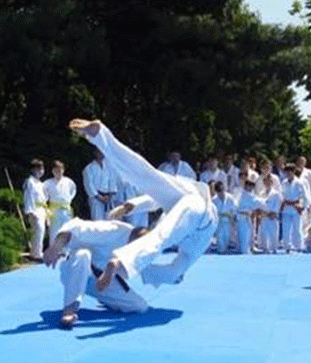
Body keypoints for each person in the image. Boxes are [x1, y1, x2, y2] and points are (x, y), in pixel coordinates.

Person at [70, 119, 217, 292]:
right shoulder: (190, 254)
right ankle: (120, 262)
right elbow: (173, 271)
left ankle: (100, 134)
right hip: (200, 214)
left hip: (188, 192)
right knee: (160, 238)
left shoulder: (188, 237)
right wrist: (166, 274)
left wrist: (130, 206)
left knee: (146, 175)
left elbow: (155, 199)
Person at [42, 218, 151, 328]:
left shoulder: (144, 250)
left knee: (139, 306)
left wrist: (110, 272)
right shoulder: (111, 231)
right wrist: (56, 247)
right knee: (83, 254)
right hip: (75, 271)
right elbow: (74, 226)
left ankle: (106, 300)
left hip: (101, 280)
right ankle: (69, 309)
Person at [43, 160, 77, 243]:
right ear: (52, 171)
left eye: (60, 170)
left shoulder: (69, 182)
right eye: (56, 170)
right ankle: (53, 253)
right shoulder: (47, 183)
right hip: (54, 211)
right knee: (54, 232)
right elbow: (44, 197)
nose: (58, 172)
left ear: (63, 170)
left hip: (66, 210)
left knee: (67, 231)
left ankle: (66, 252)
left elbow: (73, 192)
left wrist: (68, 201)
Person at [23, 159, 47, 261]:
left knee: (41, 232)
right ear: (33, 169)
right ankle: (36, 254)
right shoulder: (30, 182)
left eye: (42, 168)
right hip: (34, 209)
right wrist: (30, 211)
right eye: (38, 168)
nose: (41, 171)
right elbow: (28, 197)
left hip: (41, 209)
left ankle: (37, 252)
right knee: (38, 230)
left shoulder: (40, 183)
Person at [82, 148, 117, 220]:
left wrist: (110, 195)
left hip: (108, 198)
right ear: (95, 153)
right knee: (98, 221)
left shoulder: (109, 167)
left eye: (102, 151)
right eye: (99, 152)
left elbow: (112, 181)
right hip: (96, 198)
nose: (101, 153)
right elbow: (88, 185)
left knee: (110, 221)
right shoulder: (89, 168)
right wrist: (99, 197)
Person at [280, 165, 308, 252]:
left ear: (293, 172)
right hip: (287, 206)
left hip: (296, 207)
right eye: (286, 172)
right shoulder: (284, 182)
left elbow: (305, 197)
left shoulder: (300, 182)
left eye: (290, 171)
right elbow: (281, 195)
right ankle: (287, 246)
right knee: (286, 228)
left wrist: (303, 206)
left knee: (297, 228)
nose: (288, 173)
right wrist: (282, 204)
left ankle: (299, 246)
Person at [236, 176, 263, 254]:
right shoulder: (244, 194)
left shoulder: (248, 195)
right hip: (241, 218)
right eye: (248, 185)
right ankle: (243, 253)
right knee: (242, 239)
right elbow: (262, 204)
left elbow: (260, 204)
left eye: (251, 185)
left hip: (244, 218)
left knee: (243, 239)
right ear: (245, 185)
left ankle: (244, 253)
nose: (250, 187)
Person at [257, 174, 282, 253]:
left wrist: (267, 214)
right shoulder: (261, 193)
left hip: (272, 219)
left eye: (269, 181)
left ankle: (274, 251)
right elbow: (260, 206)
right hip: (263, 218)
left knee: (273, 237)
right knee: (264, 237)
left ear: (272, 182)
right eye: (265, 181)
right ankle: (265, 250)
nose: (267, 183)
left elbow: (276, 209)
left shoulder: (276, 194)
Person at [212, 181, 237, 254]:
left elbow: (235, 209)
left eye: (222, 190)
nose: (221, 192)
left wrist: (234, 218)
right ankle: (221, 252)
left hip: (228, 221)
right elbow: (212, 212)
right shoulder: (214, 200)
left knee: (227, 238)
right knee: (220, 240)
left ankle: (225, 252)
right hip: (219, 222)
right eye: (219, 191)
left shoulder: (230, 198)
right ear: (216, 191)